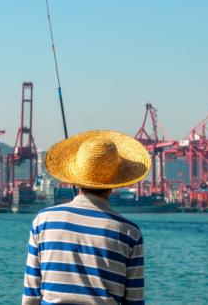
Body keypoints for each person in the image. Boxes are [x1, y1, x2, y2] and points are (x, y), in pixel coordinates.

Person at [22, 130, 150, 305]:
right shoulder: (130, 233)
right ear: (114, 184)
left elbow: (30, 297)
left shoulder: (43, 221)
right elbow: (134, 302)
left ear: (75, 178)